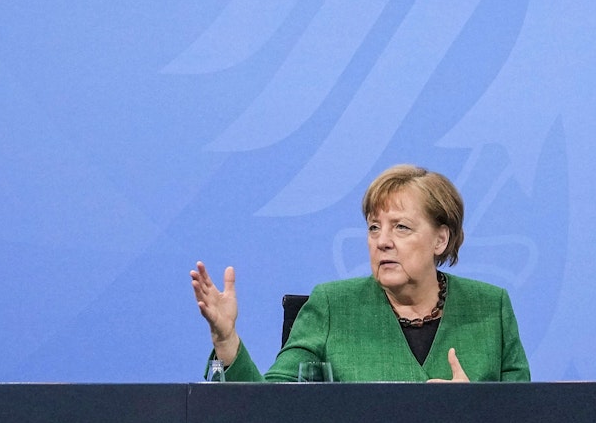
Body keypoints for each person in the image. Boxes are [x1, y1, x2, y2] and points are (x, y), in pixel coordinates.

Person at [191, 164, 530, 382]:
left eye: (401, 228)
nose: (382, 242)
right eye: (373, 228)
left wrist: (478, 413)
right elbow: (269, 410)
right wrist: (226, 340)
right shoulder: (333, 307)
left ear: (441, 239)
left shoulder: (490, 308)